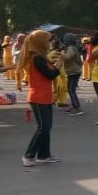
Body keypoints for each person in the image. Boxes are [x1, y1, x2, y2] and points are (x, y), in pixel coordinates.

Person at [18, 30, 61, 167]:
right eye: (47, 41)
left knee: (47, 127)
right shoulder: (36, 57)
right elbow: (49, 74)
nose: (49, 44)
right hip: (38, 97)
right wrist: (58, 67)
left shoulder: (41, 57)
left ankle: (44, 155)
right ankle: (28, 155)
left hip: (44, 96)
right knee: (43, 127)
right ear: (40, 42)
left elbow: (47, 72)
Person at [61, 33, 84, 115]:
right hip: (75, 71)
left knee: (71, 89)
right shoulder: (74, 48)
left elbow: (67, 57)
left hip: (73, 72)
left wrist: (61, 53)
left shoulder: (70, 48)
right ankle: (74, 105)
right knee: (71, 89)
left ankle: (77, 107)